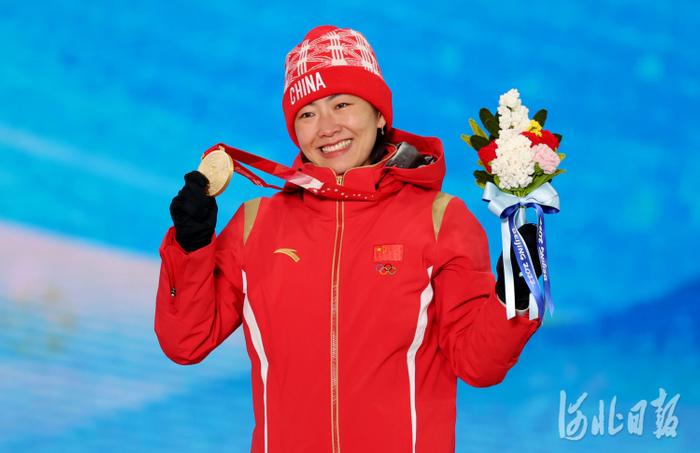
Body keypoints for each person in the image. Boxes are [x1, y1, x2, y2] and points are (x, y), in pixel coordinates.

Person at [155, 25, 543, 453]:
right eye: (308, 113)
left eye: (342, 104)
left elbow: (479, 363)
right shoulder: (254, 226)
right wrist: (190, 247)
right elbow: (185, 342)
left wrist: (518, 291)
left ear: (379, 115)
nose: (327, 127)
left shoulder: (439, 219)